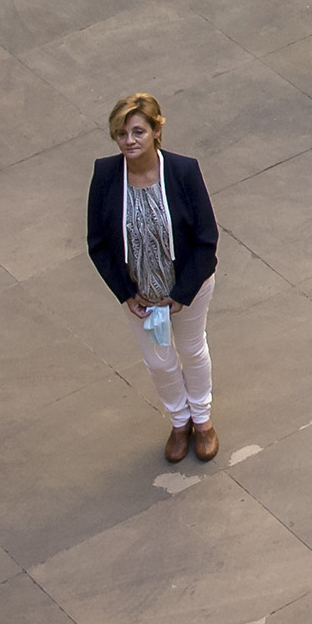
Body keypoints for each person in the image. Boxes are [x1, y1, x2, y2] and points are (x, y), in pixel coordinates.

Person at [85, 93, 219, 463]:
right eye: (121, 133)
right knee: (159, 362)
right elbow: (97, 244)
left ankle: (203, 421)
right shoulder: (105, 175)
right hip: (140, 297)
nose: (129, 141)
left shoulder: (183, 171)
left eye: (137, 131)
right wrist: (126, 293)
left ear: (157, 130)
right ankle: (180, 422)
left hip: (187, 289)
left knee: (192, 350)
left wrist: (183, 292)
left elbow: (207, 240)